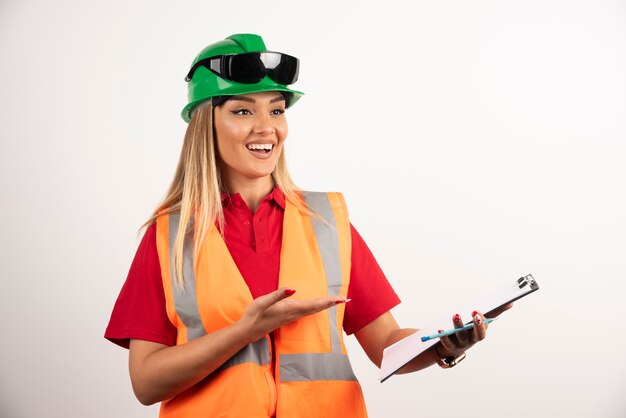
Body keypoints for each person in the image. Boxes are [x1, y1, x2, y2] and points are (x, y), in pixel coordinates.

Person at [105, 33, 510, 418]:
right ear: (204, 123)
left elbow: (386, 344)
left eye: (276, 109)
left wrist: (444, 345)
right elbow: (145, 382)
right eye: (243, 110)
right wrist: (245, 331)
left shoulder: (326, 222)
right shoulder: (170, 237)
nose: (266, 127)